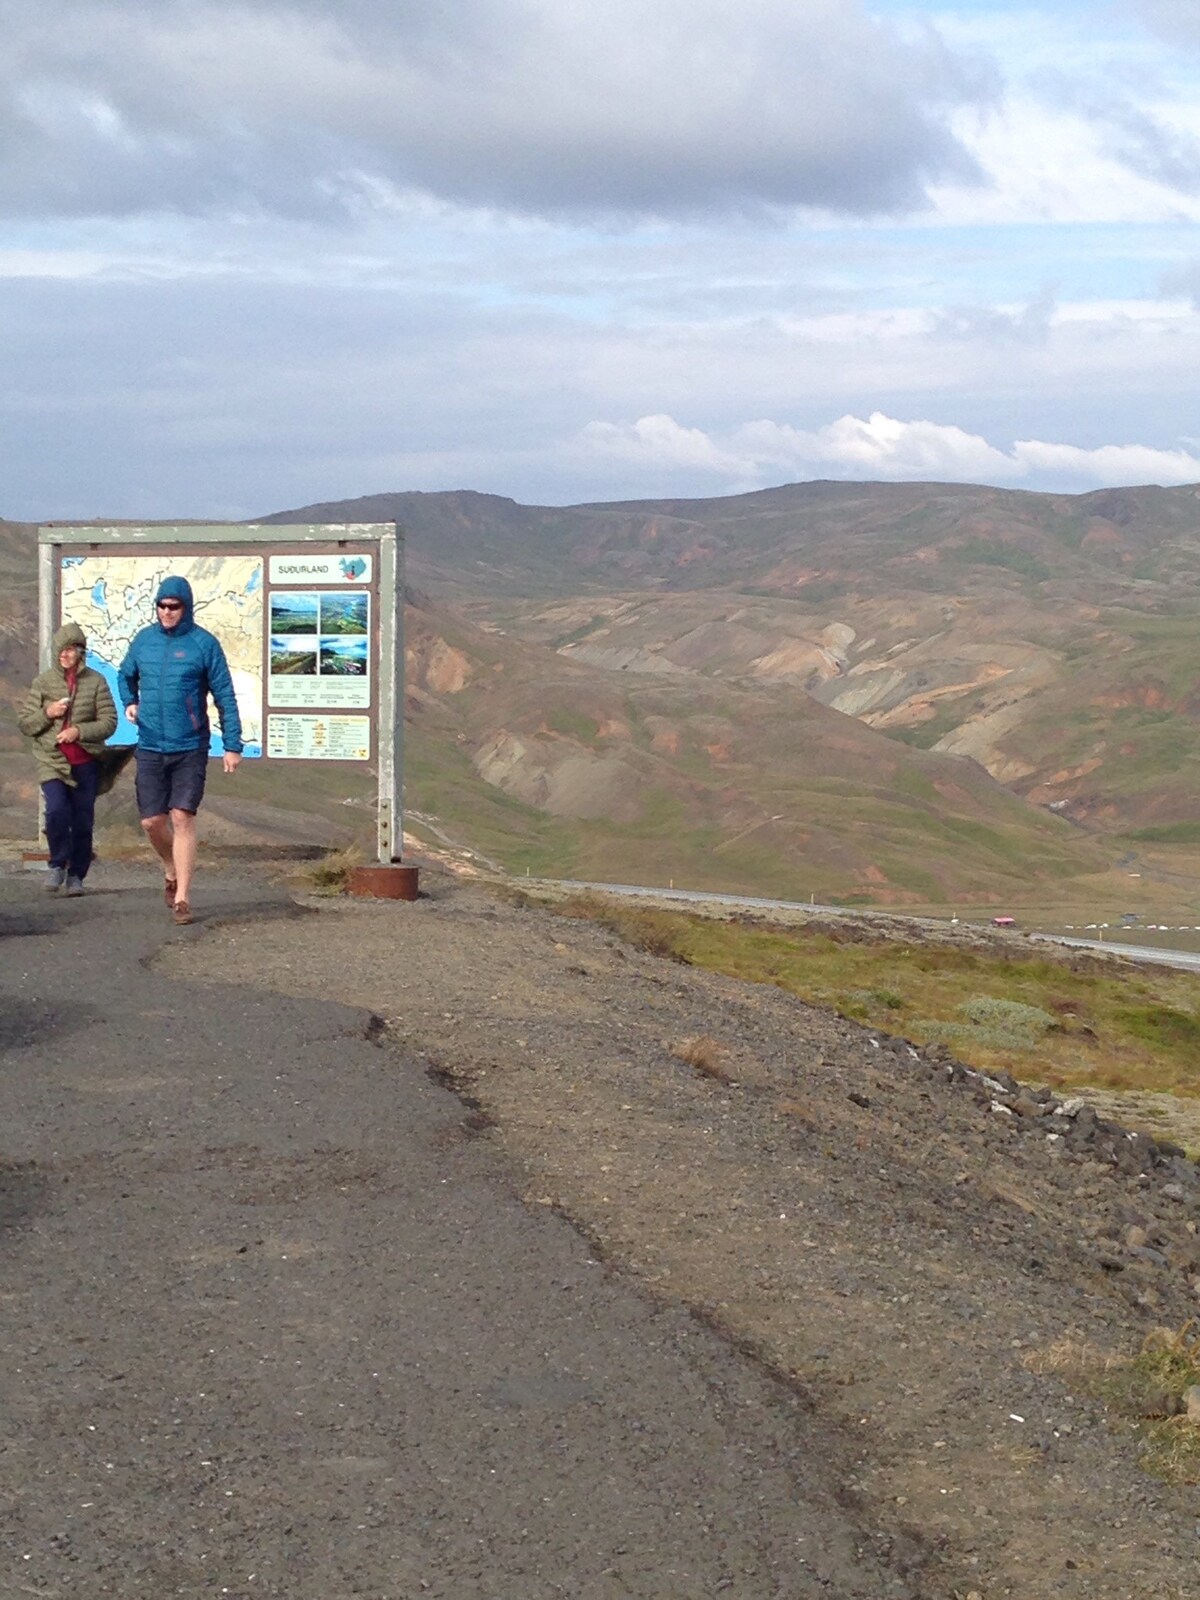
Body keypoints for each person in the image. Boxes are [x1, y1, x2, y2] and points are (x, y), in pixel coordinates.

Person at [118, 576, 244, 925]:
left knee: (181, 817)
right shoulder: (144, 641)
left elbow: (225, 696)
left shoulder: (204, 645)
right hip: (150, 744)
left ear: (186, 607)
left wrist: (232, 744)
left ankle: (184, 899)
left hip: (190, 745)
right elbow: (125, 674)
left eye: (173, 606)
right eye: (161, 605)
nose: (166, 612)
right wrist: (130, 701)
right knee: (150, 822)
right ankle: (170, 865)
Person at [18, 622, 118, 895]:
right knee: (57, 810)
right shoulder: (43, 682)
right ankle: (57, 863)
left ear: (80, 652)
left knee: (83, 819)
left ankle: (77, 875)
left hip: (86, 761)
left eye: (71, 649)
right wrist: (47, 713)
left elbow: (109, 722)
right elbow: (26, 724)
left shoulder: (96, 682)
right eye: (61, 649)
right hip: (51, 759)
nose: (65, 654)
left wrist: (79, 731)